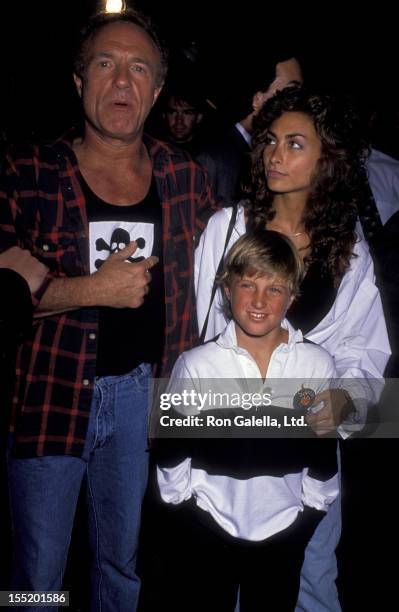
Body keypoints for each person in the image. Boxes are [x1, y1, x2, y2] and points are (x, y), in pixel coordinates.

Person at [0, 8, 214, 611]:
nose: (122, 81)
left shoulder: (185, 177)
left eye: (138, 68)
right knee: (33, 578)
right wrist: (93, 290)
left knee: (122, 567)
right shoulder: (27, 171)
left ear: (157, 90)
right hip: (48, 394)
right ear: (78, 81)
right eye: (105, 64)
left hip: (142, 398)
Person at [195, 87, 390, 610]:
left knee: (315, 581)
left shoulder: (346, 248)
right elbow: (205, 336)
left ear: (327, 158)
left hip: (309, 444)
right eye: (271, 142)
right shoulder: (227, 230)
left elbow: (363, 347)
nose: (276, 155)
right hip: (233, 436)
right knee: (228, 582)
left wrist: (342, 405)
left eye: (296, 143)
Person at [156, 230, 340, 611]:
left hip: (284, 534)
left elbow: (324, 456)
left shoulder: (317, 364)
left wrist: (304, 522)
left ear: (292, 297)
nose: (259, 301)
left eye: (274, 289)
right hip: (207, 530)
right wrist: (187, 515)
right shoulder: (196, 365)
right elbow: (171, 451)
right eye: (248, 285)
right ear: (227, 289)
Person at [196, 56, 303, 204]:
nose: (298, 103)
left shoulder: (263, 152)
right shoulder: (216, 158)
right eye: (290, 92)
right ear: (257, 99)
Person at [159, 85, 205, 156]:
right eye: (172, 112)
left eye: (187, 113)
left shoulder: (211, 157)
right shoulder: (152, 151)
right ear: (164, 115)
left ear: (199, 117)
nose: (179, 121)